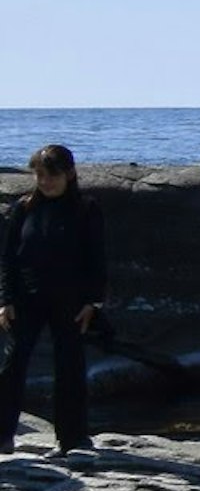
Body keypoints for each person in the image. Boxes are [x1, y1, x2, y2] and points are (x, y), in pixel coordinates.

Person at [0, 144, 109, 456]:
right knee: (12, 365)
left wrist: (93, 302)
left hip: (71, 302)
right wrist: (5, 300)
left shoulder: (86, 210)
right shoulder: (24, 208)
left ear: (70, 174)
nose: (46, 182)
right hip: (26, 300)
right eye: (40, 175)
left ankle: (72, 439)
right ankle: (2, 436)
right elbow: (8, 259)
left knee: (70, 367)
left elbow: (97, 259)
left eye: (52, 175)